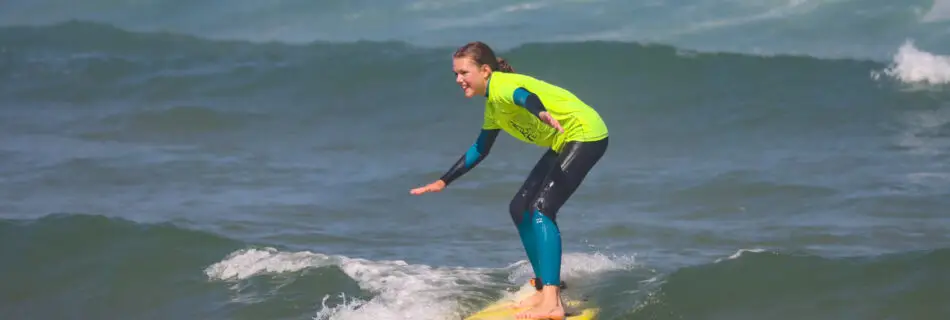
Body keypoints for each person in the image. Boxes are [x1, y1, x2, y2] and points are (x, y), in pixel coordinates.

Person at [410, 41, 609, 320]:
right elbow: (481, 147)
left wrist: (540, 112)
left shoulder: (502, 86)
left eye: (464, 73)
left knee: (541, 210)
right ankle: (544, 289)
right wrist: (444, 181)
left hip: (586, 133)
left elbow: (523, 95)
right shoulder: (493, 105)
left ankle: (552, 302)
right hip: (564, 140)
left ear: (485, 71)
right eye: (455, 74)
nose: (458, 79)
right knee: (519, 208)